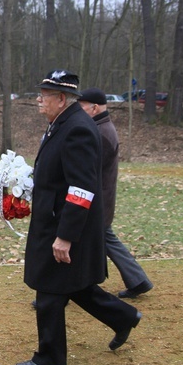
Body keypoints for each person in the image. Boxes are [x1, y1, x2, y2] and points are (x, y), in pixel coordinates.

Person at [15, 69, 141, 365]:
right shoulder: (62, 123)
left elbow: (82, 188)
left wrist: (66, 236)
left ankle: (51, 357)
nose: (38, 101)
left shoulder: (78, 129)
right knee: (74, 287)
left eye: (44, 96)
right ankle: (123, 317)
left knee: (48, 291)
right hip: (53, 221)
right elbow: (59, 174)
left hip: (64, 226)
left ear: (61, 99)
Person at [78, 88, 153, 299]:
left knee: (79, 241)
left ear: (94, 108)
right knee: (105, 240)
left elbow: (88, 169)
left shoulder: (101, 133)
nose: (78, 110)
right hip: (99, 198)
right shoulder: (99, 128)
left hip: (97, 200)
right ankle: (138, 280)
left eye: (82, 106)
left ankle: (69, 289)